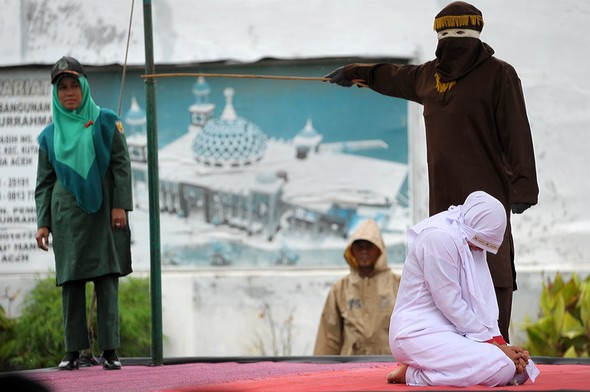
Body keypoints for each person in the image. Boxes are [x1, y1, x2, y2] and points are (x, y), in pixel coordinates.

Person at [325, 1, 539, 342]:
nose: (452, 42)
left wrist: (524, 187)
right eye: (446, 35)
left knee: (489, 269)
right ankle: (449, 350)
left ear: (475, 35)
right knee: (443, 274)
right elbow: (394, 77)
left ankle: (496, 350)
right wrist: (354, 73)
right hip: (443, 202)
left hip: (484, 198)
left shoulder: (499, 74)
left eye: (459, 35)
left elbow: (516, 130)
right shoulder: (429, 76)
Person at [35, 56, 133, 370]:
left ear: (85, 86)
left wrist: (120, 205)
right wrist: (43, 224)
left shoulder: (106, 121)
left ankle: (110, 351)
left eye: (74, 85)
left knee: (107, 280)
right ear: (55, 93)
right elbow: (44, 183)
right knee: (71, 284)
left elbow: (121, 165)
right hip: (66, 218)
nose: (69, 92)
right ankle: (73, 351)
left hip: (104, 214)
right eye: (62, 87)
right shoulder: (49, 136)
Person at [386, 191, 539, 387]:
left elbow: (478, 302)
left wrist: (500, 344)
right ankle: (412, 375)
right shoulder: (438, 238)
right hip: (417, 334)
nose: (479, 250)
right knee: (502, 367)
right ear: (471, 228)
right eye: (479, 242)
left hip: (454, 331)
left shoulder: (469, 237)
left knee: (523, 368)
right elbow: (450, 303)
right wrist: (496, 347)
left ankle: (441, 369)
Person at [313, 219, 401, 355]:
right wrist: (321, 371)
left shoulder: (397, 284)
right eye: (359, 246)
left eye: (369, 246)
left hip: (388, 364)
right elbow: (329, 338)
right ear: (351, 250)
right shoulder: (340, 288)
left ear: (380, 249)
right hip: (350, 365)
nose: (364, 251)